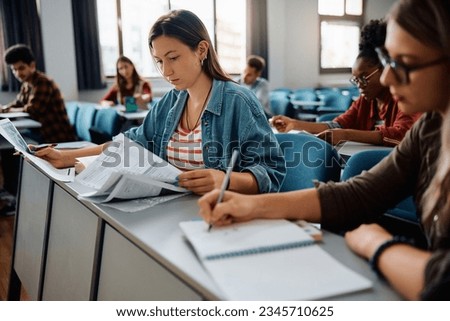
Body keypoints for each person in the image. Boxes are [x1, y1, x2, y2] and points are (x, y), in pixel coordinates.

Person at [199, 0, 450, 300]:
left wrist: (377, 244)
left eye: (404, 63)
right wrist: (250, 206)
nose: (386, 78)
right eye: (388, 60)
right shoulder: (433, 127)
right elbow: (358, 194)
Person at [35, 10, 286, 195]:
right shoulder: (172, 101)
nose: (166, 71)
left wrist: (224, 180)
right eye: (159, 61)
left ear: (201, 50)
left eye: (173, 57)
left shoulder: (238, 102)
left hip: (217, 214)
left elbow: (271, 173)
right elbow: (132, 143)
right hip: (170, 206)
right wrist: (67, 157)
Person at [272, 19, 422, 147]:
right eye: (356, 80)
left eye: (364, 77)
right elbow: (337, 125)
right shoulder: (366, 101)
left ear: (384, 69)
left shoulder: (403, 97)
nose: (359, 85)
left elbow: (402, 134)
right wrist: (294, 124)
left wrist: (347, 134)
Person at [1, 44, 76, 143]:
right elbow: (18, 103)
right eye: (14, 70)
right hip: (42, 132)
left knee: (11, 142)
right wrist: (4, 109)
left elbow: (33, 110)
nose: (18, 73)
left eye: (21, 68)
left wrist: (8, 110)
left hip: (56, 136)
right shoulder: (26, 84)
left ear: (32, 66)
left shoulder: (43, 82)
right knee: (11, 139)